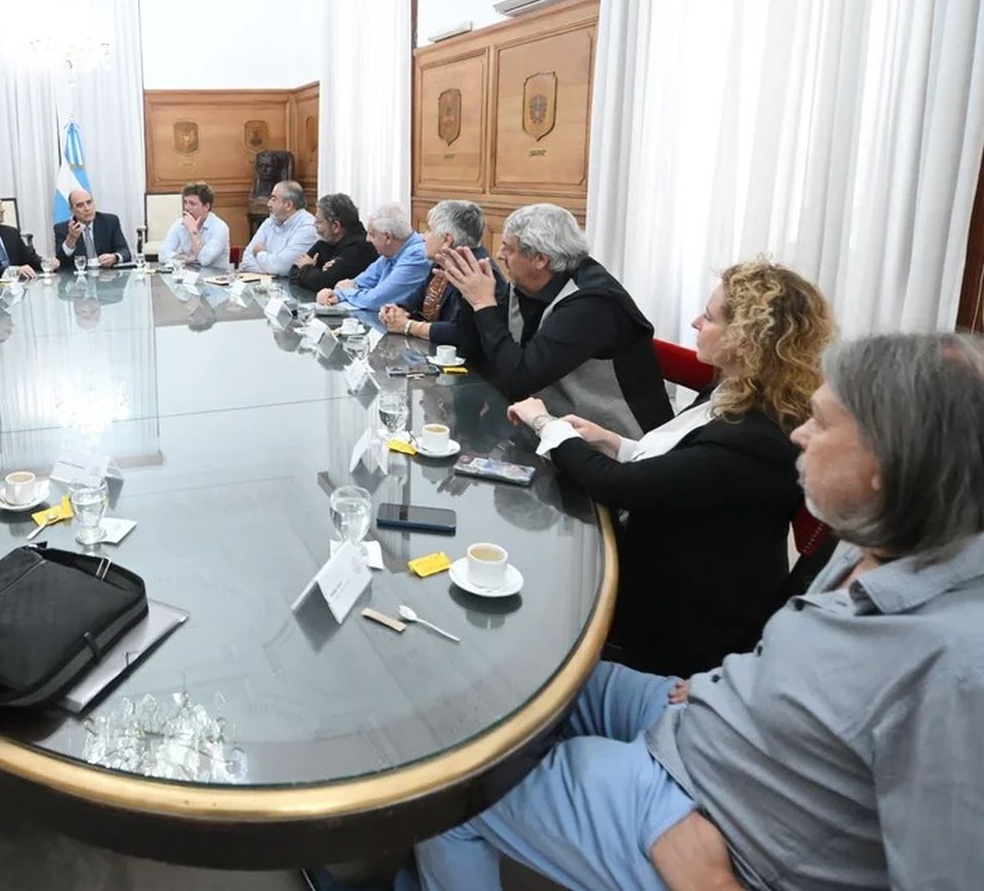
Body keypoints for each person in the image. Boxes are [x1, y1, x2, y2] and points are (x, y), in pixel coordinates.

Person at [394, 332, 984, 891]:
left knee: (454, 795)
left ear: (888, 462)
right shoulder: (881, 537)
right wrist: (725, 686)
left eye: (822, 423)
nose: (799, 435)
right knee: (518, 675)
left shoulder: (957, 667)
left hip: (716, 818)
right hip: (706, 715)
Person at [508, 260, 834, 675]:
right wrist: (609, 439)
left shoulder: (758, 437)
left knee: (538, 611)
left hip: (683, 629)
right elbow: (683, 466)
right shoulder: (741, 389)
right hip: (676, 573)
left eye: (710, 317)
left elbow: (618, 486)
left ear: (745, 341)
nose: (696, 322)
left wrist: (545, 423)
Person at [437, 202, 671, 438]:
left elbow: (519, 380)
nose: (499, 254)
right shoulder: (529, 285)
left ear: (540, 259)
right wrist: (468, 296)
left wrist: (482, 303)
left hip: (618, 443)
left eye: (509, 248)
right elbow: (482, 355)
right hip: (552, 428)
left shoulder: (592, 303)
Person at [377, 200, 498, 348]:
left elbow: (460, 332)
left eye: (429, 230)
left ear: (447, 239)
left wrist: (408, 326)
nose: (423, 236)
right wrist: (397, 310)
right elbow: (416, 298)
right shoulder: (442, 262)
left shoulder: (478, 273)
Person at [316, 202, 431, 311]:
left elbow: (377, 300)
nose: (367, 239)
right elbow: (359, 282)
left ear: (388, 237)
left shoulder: (417, 256)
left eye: (372, 234)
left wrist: (344, 292)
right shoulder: (390, 253)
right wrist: (335, 294)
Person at [290, 192, 377, 291]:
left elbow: (324, 283)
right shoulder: (325, 242)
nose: (314, 225)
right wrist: (317, 272)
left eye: (319, 221)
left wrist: (307, 267)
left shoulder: (360, 248)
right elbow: (294, 272)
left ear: (336, 226)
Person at [242, 180, 317, 274]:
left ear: (288, 205)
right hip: (266, 283)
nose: (268, 204)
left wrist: (260, 254)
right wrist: (271, 269)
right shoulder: (269, 222)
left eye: (273, 199)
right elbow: (246, 261)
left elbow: (282, 267)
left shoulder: (308, 226)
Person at [53, 188, 132, 270]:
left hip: (107, 278)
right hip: (78, 280)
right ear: (72, 210)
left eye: (89, 202)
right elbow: (60, 262)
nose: (87, 209)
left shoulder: (110, 222)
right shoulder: (62, 229)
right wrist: (71, 240)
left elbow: (125, 252)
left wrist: (115, 257)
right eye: (80, 205)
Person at [158, 181, 231, 269]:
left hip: (214, 278)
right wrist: (186, 259)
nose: (187, 208)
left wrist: (193, 231)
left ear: (206, 206)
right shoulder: (179, 224)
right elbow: (162, 254)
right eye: (185, 202)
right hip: (188, 276)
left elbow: (204, 260)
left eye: (192, 204)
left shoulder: (220, 228)